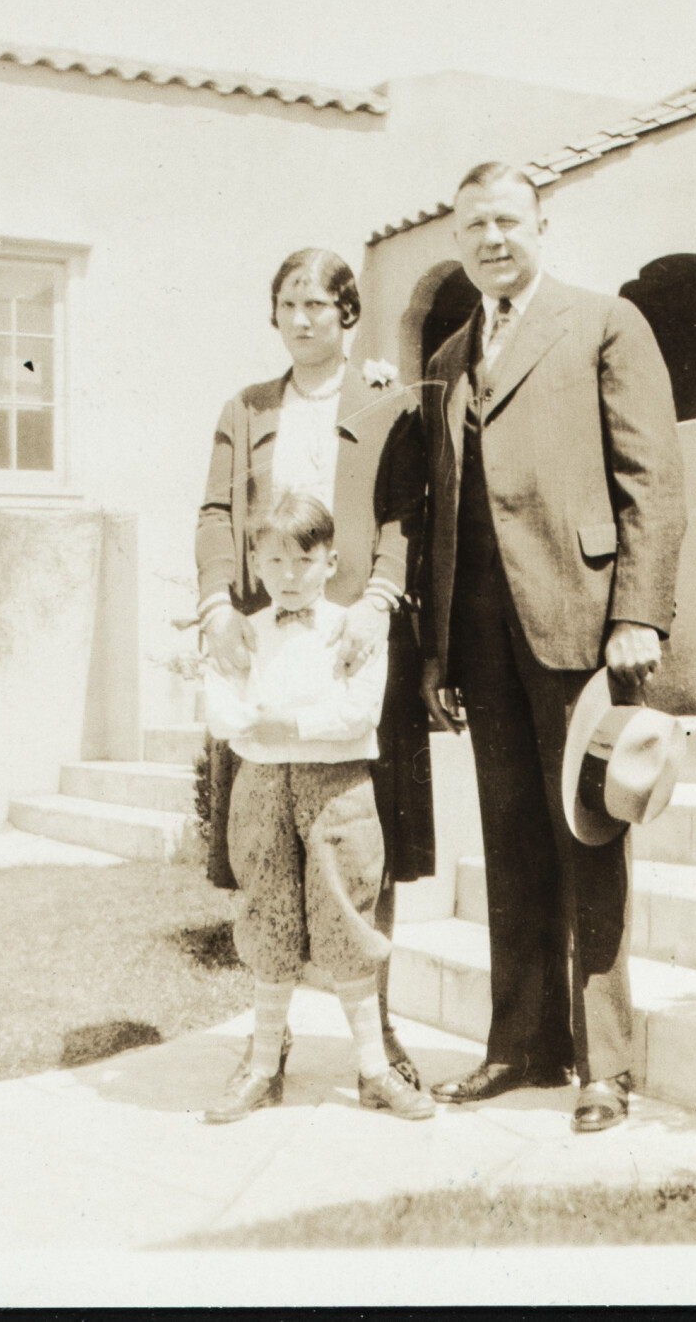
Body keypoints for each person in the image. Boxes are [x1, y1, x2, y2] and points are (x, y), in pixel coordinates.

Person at [418, 161, 687, 1134]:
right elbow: (442, 510)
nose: (491, 239)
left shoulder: (605, 321)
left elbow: (650, 478)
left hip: (582, 623)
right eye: (472, 226)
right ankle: (518, 1045)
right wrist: (436, 652)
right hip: (480, 641)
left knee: (588, 833)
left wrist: (638, 612)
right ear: (457, 239)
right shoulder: (449, 355)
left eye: (506, 221)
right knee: (508, 844)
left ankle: (602, 1066)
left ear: (542, 224)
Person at [196, 247, 432, 1089]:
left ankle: (383, 1036)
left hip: (356, 639)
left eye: (321, 304)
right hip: (266, 652)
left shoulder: (383, 401)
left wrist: (378, 599)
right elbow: (219, 511)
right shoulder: (247, 407)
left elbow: (407, 516)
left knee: (368, 848)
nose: (304, 318)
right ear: (275, 315)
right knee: (268, 859)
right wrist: (218, 605)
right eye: (289, 302)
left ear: (348, 314)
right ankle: (271, 1042)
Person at [200, 492, 436, 1123]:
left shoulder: (352, 627)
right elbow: (221, 708)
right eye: (274, 561)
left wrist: (291, 725)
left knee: (346, 915)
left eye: (304, 560)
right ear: (256, 563)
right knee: (268, 915)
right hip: (261, 787)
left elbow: (358, 711)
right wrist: (260, 728)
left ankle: (374, 1069)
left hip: (337, 788)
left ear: (331, 562)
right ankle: (261, 1067)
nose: (289, 575)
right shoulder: (243, 632)